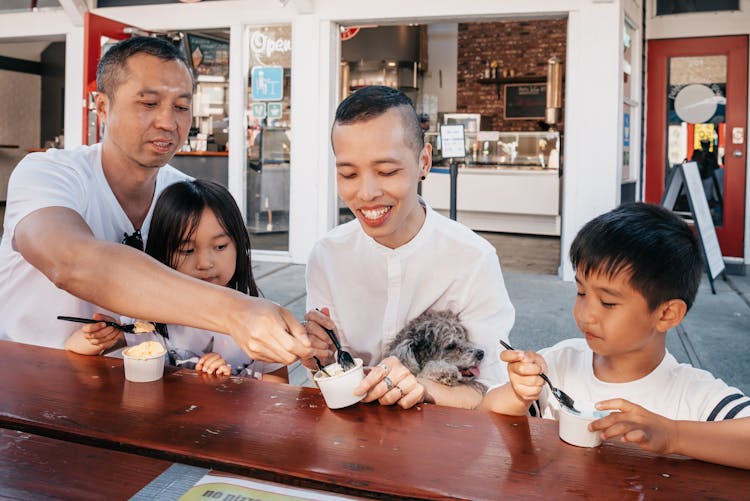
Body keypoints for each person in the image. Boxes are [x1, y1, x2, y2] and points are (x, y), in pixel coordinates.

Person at [0, 36, 311, 365]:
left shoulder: (185, 195)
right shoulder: (48, 174)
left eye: (181, 107)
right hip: (28, 379)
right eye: (148, 103)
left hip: (143, 390)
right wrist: (235, 311)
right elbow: (70, 261)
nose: (168, 121)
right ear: (102, 106)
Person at [481, 203, 750, 470]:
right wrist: (518, 394)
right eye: (581, 293)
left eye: (608, 303)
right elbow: (482, 418)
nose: (586, 315)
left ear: (667, 314)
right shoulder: (559, 364)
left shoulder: (692, 393)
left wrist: (673, 435)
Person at [303, 86, 515, 410]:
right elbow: (328, 368)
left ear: (423, 162)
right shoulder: (326, 257)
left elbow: (489, 387)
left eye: (387, 171)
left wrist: (423, 388)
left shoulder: (472, 259)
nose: (367, 192)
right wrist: (320, 357)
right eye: (348, 174)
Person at [65, 180, 288, 382]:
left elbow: (278, 390)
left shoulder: (260, 321)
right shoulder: (151, 319)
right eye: (187, 250)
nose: (205, 263)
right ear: (163, 252)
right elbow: (74, 347)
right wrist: (97, 338)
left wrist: (231, 385)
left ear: (239, 245)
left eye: (220, 247)